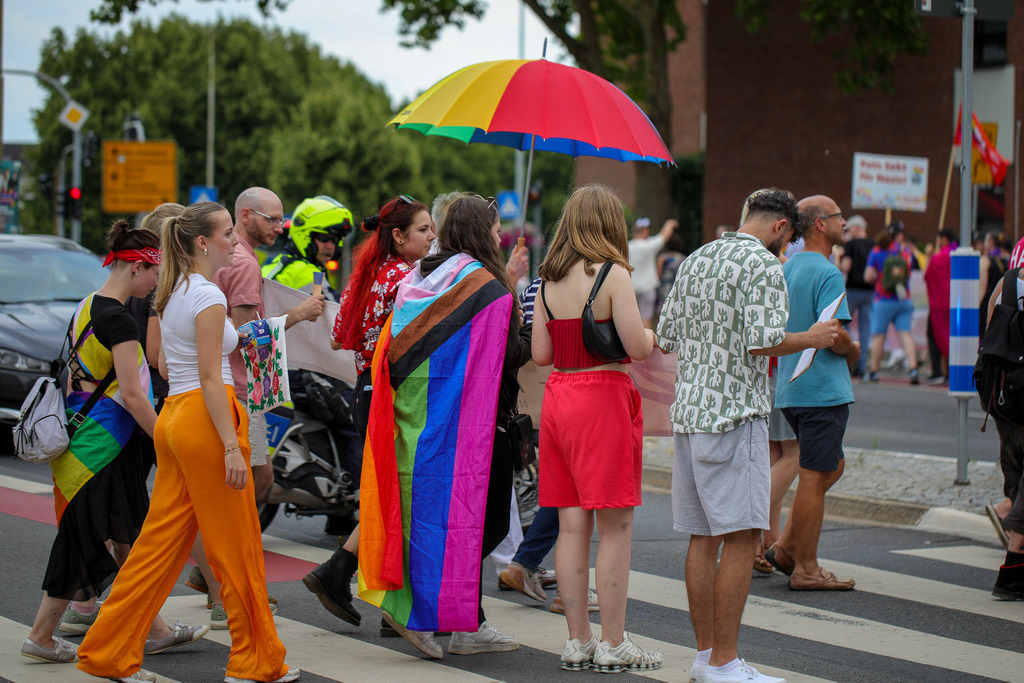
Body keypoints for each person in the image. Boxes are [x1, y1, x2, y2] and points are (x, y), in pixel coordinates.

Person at [76, 202, 298, 683]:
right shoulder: (207, 296)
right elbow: (211, 377)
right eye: (226, 234)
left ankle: (108, 651)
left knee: (157, 547)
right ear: (202, 242)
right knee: (237, 549)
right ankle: (254, 662)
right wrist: (232, 446)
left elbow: (158, 359)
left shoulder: (173, 291)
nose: (235, 242)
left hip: (177, 417)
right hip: (205, 419)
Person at [657, 188, 839, 683]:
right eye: (789, 243)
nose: (787, 253)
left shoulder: (697, 257)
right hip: (735, 414)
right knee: (740, 538)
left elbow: (667, 336)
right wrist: (814, 337)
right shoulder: (762, 265)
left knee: (701, 537)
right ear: (782, 228)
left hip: (691, 413)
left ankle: (703, 654)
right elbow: (765, 341)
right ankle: (724, 662)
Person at [21, 220, 207, 675]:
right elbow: (133, 394)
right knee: (84, 541)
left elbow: (76, 379)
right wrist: (168, 438)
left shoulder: (88, 306)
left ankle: (156, 629)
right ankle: (42, 636)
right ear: (135, 267)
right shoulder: (120, 319)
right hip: (101, 448)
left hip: (86, 442)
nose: (156, 284)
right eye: (154, 273)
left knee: (125, 538)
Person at [359, 194, 530, 659]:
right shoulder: (484, 288)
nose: (500, 237)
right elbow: (508, 357)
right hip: (473, 429)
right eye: (495, 229)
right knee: (485, 523)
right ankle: (437, 613)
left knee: (435, 522)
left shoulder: (421, 276)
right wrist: (524, 320)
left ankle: (463, 619)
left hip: (419, 422)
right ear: (481, 232)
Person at [532, 184, 659, 673]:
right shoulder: (614, 274)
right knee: (616, 526)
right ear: (610, 225)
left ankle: (577, 640)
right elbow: (637, 345)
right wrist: (652, 334)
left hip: (559, 397)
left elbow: (542, 355)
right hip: (601, 398)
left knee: (571, 525)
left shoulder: (547, 280)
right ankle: (612, 641)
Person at [184, 189, 325, 626]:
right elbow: (249, 336)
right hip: (240, 389)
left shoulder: (218, 264)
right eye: (273, 219)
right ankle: (225, 582)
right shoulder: (243, 263)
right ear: (246, 216)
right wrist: (299, 316)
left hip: (211, 390)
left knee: (222, 490)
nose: (281, 227)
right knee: (251, 482)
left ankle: (212, 574)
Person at [303, 194, 435, 628]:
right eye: (423, 230)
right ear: (398, 236)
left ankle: (373, 596)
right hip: (390, 394)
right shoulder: (406, 277)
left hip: (365, 389)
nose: (432, 236)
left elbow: (340, 337)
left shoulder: (371, 273)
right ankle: (340, 574)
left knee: (390, 494)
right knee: (399, 496)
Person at [766, 195, 859, 592]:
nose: (845, 226)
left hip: (790, 387)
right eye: (840, 218)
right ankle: (805, 567)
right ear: (820, 224)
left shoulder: (787, 268)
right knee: (814, 475)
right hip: (822, 388)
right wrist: (853, 351)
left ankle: (787, 547)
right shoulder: (827, 272)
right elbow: (833, 334)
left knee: (829, 466)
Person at [985, 271, 1024, 600]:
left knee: (1015, 472)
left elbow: (989, 334)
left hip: (1002, 394)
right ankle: (1012, 573)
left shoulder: (1007, 281)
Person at [261, 194, 353, 298]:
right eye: (324, 238)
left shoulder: (279, 264)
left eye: (335, 240)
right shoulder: (306, 273)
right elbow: (340, 311)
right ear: (304, 236)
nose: (330, 246)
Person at [863, 224, 920, 384]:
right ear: (899, 235)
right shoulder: (905, 252)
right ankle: (913, 369)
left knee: (879, 336)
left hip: (883, 299)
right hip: (903, 299)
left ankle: (873, 371)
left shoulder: (876, 251)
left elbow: (867, 276)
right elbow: (907, 274)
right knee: (906, 334)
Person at [627, 216, 678, 327]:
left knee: (632, 319)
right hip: (647, 288)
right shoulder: (648, 246)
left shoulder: (627, 246)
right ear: (645, 231)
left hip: (632, 288)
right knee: (646, 319)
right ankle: (646, 343)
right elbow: (663, 236)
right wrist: (669, 224)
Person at [839, 215, 873, 378]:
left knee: (844, 322)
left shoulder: (851, 245)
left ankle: (852, 352)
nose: (847, 233)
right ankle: (863, 364)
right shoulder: (874, 245)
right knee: (865, 328)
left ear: (857, 228)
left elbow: (846, 266)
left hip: (853, 289)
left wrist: (837, 262)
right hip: (870, 291)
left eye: (849, 229)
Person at [923, 229, 956, 384]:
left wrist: (930, 256)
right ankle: (950, 371)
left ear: (944, 239)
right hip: (956, 303)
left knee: (935, 336)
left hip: (939, 304)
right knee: (953, 336)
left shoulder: (939, 257)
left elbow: (927, 275)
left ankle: (937, 371)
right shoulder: (957, 254)